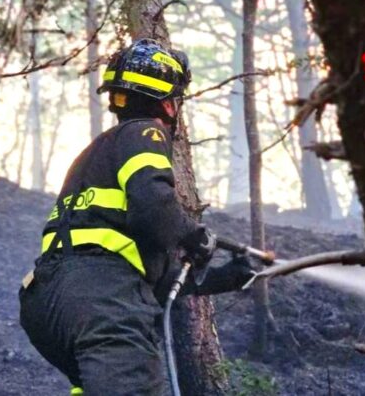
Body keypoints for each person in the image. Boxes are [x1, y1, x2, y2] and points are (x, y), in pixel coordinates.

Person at [19, 39, 255, 396]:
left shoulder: (94, 155)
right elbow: (153, 208)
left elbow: (133, 264)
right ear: (168, 102)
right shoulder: (145, 133)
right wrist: (194, 235)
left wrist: (222, 279)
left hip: (47, 301)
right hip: (101, 299)